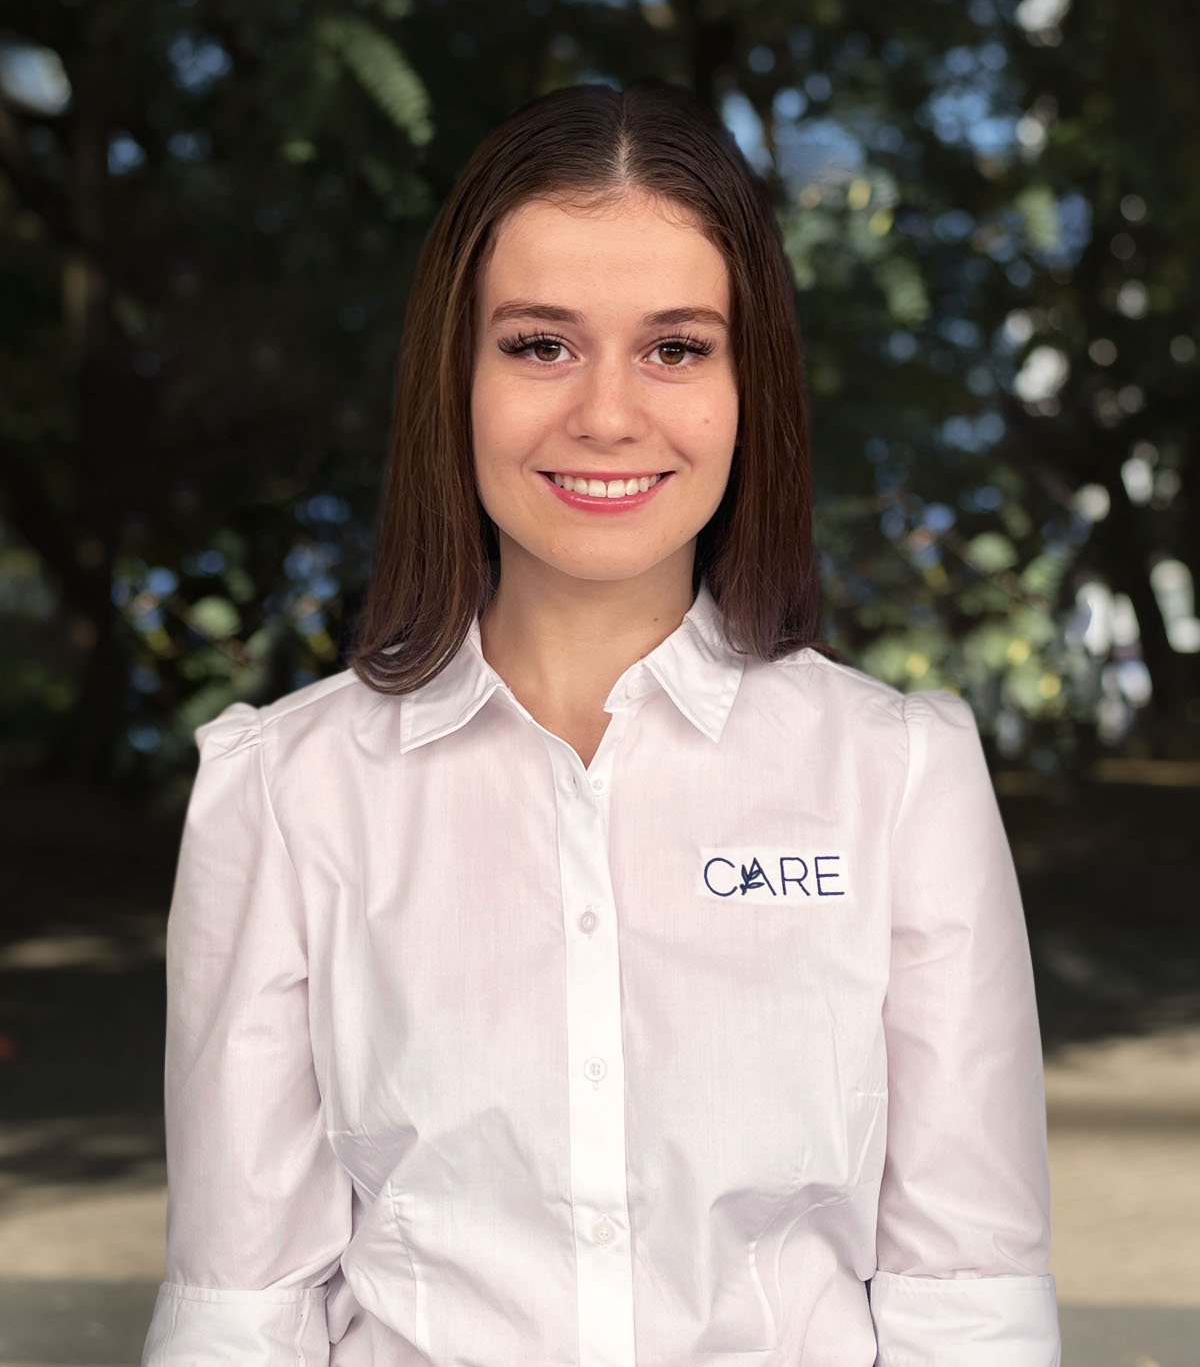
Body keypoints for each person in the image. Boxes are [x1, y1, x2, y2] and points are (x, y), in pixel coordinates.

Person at [142, 79, 1061, 1367]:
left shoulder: (901, 776)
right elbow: (244, 1308)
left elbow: (970, 1292)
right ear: (453, 375)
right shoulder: (286, 789)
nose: (609, 414)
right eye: (539, 344)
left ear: (754, 385)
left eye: (676, 347)